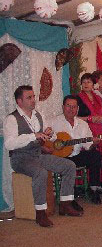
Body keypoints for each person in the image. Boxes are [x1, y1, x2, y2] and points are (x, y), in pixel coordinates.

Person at [3, 86, 82, 227]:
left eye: (33, 96)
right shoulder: (11, 119)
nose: (33, 100)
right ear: (19, 101)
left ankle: (65, 204)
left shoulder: (38, 115)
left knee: (69, 165)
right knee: (40, 172)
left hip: (37, 155)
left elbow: (52, 137)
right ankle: (40, 212)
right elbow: (9, 144)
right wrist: (33, 136)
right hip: (20, 158)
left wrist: (51, 134)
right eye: (29, 97)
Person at [48, 95, 102, 205]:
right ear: (63, 107)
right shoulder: (53, 122)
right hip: (60, 158)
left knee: (96, 155)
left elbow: (88, 146)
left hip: (76, 156)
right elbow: (45, 137)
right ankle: (70, 198)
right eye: (68, 106)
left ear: (77, 109)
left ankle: (93, 189)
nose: (71, 109)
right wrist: (53, 141)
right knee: (68, 165)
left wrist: (94, 143)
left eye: (74, 107)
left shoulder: (82, 124)